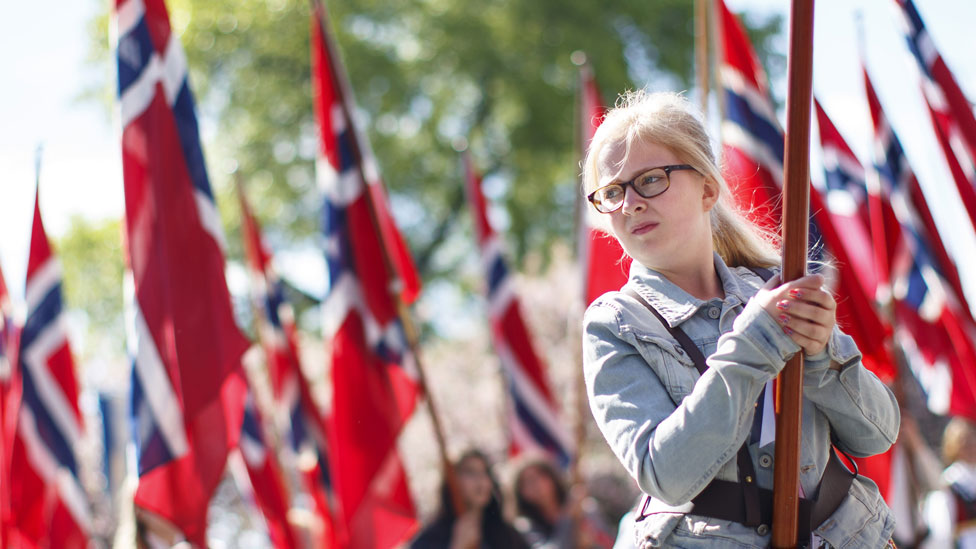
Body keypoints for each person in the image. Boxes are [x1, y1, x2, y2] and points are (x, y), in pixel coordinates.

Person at [580, 90, 899, 548]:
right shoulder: (614, 323)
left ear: (708, 189)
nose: (630, 203)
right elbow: (665, 473)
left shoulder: (776, 288)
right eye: (611, 192)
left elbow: (878, 433)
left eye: (650, 180)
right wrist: (755, 343)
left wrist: (823, 355)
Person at [411, 450, 529, 549]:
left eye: (485, 472)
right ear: (452, 480)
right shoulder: (431, 538)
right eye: (470, 472)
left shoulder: (506, 534)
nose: (481, 480)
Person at [511, 456, 614, 548]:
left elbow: (610, 542)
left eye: (540, 476)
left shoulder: (586, 508)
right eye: (528, 481)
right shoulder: (525, 526)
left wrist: (592, 541)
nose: (536, 485)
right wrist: (568, 516)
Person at [921, 417, 976, 549]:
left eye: (972, 440)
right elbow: (941, 533)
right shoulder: (948, 483)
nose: (970, 446)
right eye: (963, 441)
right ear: (953, 446)